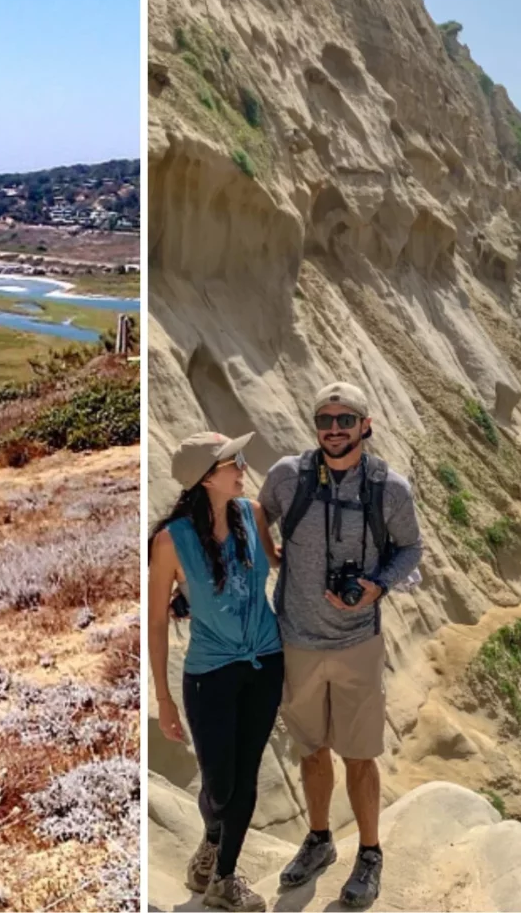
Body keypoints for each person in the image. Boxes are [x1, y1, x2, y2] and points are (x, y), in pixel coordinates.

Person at [259, 382, 423, 910]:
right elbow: (258, 514)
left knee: (359, 754)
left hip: (357, 642)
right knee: (311, 750)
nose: (334, 428)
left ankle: (370, 853)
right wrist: (273, 554)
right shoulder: (288, 477)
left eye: (345, 419)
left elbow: (411, 547)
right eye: (325, 419)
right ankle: (319, 839)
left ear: (365, 425)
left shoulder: (389, 489)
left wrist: (378, 584)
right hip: (297, 639)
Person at [149, 430, 284, 913]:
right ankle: (211, 840)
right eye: (232, 461)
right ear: (206, 478)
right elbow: (157, 620)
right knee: (219, 784)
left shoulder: (252, 514)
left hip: (266, 664)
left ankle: (224, 878)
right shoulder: (171, 541)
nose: (242, 466)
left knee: (244, 777)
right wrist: (163, 698)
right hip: (210, 673)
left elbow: (276, 562)